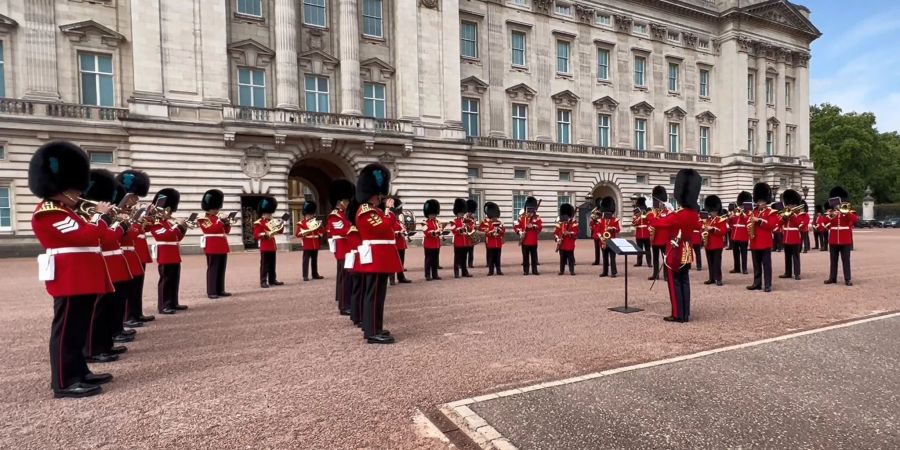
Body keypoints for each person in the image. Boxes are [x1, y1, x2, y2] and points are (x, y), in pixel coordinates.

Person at [29, 141, 114, 398]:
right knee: (66, 330)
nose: (79, 193)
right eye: (75, 188)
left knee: (77, 329)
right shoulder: (49, 212)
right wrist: (100, 216)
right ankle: (64, 381)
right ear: (62, 186)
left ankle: (79, 371)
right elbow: (86, 237)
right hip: (70, 278)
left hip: (81, 277)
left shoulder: (68, 211)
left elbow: (95, 238)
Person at [82, 170, 132, 364]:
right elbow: (106, 238)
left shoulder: (98, 214)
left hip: (111, 262)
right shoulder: (87, 214)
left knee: (110, 308)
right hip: (101, 262)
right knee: (99, 310)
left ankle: (105, 344)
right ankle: (94, 348)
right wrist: (118, 225)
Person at [354, 163, 402, 344]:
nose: (381, 198)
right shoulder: (366, 211)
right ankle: (373, 331)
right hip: (375, 258)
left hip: (380, 258)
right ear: (373, 195)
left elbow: (389, 227)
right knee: (373, 296)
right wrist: (389, 211)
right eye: (379, 195)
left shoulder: (374, 210)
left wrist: (388, 213)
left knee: (377, 296)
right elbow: (382, 227)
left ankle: (373, 326)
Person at [649, 169, 701, 323]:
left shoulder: (677, 215)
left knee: (674, 283)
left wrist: (649, 212)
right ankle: (686, 313)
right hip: (687, 251)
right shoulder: (693, 214)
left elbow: (657, 223)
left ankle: (678, 314)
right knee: (685, 281)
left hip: (674, 252)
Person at [116, 170, 155, 326]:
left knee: (136, 286)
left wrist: (147, 219)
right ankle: (128, 316)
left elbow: (143, 230)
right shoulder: (117, 211)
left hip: (134, 252)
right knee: (127, 287)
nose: (136, 200)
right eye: (134, 196)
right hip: (124, 253)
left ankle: (136, 312)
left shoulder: (131, 212)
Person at [149, 188, 188, 314]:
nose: (169, 213)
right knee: (165, 280)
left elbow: (177, 237)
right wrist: (178, 225)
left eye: (169, 210)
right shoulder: (156, 223)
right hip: (165, 254)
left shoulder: (168, 223)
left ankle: (173, 302)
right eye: (167, 210)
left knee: (174, 279)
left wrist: (183, 228)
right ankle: (164, 305)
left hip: (174, 253)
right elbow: (166, 236)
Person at [325, 179, 355, 315]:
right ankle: (344, 306)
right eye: (346, 200)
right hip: (343, 249)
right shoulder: (334, 216)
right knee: (345, 278)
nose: (348, 203)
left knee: (345, 277)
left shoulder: (344, 214)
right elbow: (342, 231)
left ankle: (344, 300)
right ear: (340, 201)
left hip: (348, 249)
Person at [198, 189, 232, 299]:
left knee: (221, 268)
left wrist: (227, 223)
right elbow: (212, 229)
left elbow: (226, 231)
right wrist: (220, 221)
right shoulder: (203, 218)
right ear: (210, 208)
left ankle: (220, 289)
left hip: (222, 245)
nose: (217, 210)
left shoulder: (218, 218)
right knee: (213, 268)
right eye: (215, 208)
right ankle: (211, 291)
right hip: (212, 246)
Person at [746, 183, 777, 293]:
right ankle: (757, 283)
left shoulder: (771, 212)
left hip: (765, 242)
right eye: (758, 201)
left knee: (766, 265)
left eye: (762, 201)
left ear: (766, 201)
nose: (760, 203)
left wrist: (758, 220)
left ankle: (768, 284)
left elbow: (771, 225)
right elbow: (749, 223)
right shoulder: (754, 212)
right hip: (754, 241)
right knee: (756, 265)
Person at [824, 186, 858, 286]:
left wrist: (845, 212)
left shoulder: (848, 211)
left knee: (846, 260)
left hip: (845, 240)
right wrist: (831, 215)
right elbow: (825, 223)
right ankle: (832, 278)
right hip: (833, 239)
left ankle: (847, 279)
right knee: (833, 260)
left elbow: (855, 220)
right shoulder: (831, 212)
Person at [252, 197, 285, 288]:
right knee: (264, 265)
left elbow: (280, 231)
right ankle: (263, 281)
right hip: (265, 246)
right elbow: (256, 235)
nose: (270, 215)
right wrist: (265, 234)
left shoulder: (273, 221)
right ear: (264, 213)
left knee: (272, 264)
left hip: (272, 245)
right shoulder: (259, 223)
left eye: (270, 213)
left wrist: (281, 225)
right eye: (268, 213)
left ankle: (272, 279)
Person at [779, 189, 804, 281]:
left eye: (791, 204)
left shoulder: (799, 214)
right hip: (786, 237)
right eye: (788, 204)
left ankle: (797, 273)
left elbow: (798, 224)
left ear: (795, 205)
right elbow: (779, 223)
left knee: (796, 256)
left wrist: (792, 215)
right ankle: (788, 272)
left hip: (794, 237)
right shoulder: (786, 213)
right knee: (787, 256)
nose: (790, 206)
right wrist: (784, 217)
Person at [701, 196, 727, 286]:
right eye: (711, 211)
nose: (713, 213)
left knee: (717, 262)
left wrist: (712, 229)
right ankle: (711, 278)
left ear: (717, 211)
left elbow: (723, 231)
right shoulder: (706, 220)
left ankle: (718, 278)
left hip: (717, 245)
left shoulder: (721, 220)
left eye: (714, 211)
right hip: (708, 244)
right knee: (710, 262)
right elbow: (701, 229)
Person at [296, 201, 324, 282]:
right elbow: (298, 234)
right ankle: (305, 275)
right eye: (309, 214)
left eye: (311, 214)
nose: (310, 216)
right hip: (307, 243)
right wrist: (306, 232)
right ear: (305, 214)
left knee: (314, 260)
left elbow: (322, 232)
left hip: (315, 243)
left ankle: (315, 274)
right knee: (306, 261)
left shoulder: (316, 222)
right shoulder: (301, 223)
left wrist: (320, 229)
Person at [514, 196, 542, 276]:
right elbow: (516, 226)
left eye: (531, 211)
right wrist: (520, 232)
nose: (529, 212)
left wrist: (533, 226)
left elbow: (540, 227)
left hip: (533, 240)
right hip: (525, 240)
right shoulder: (522, 218)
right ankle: (526, 271)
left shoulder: (537, 218)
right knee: (525, 257)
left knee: (534, 257)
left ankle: (534, 270)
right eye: (528, 211)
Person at [647, 186, 670, 281]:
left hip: (664, 239)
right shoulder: (651, 213)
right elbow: (650, 223)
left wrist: (655, 219)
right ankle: (655, 274)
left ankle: (666, 275)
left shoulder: (667, 212)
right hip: (655, 239)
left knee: (665, 258)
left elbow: (665, 224)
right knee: (655, 259)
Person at [389, 196, 412, 285]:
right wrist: (399, 232)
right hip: (394, 245)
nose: (399, 214)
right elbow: (389, 232)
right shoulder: (390, 220)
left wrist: (405, 231)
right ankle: (391, 278)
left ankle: (401, 277)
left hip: (401, 244)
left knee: (401, 262)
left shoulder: (399, 221)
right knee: (392, 262)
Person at [596, 197, 620, 278]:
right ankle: (605, 272)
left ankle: (613, 272)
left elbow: (618, 229)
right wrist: (601, 238)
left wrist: (612, 228)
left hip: (612, 241)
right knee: (605, 257)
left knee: (612, 258)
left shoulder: (615, 220)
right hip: (603, 241)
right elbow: (597, 231)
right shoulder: (601, 221)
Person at [449, 198, 473, 279]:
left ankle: (464, 272)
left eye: (462, 213)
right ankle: (456, 273)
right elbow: (454, 230)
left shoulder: (466, 220)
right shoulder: (453, 221)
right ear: (457, 213)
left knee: (464, 258)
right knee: (457, 259)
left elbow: (470, 229)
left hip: (465, 242)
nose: (461, 214)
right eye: (460, 213)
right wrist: (461, 229)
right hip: (458, 242)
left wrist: (468, 226)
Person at [480, 202, 505, 276]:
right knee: (491, 258)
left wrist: (499, 230)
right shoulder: (487, 223)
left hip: (498, 243)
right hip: (490, 243)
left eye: (496, 216)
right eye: (494, 217)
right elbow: (481, 229)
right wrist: (489, 232)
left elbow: (503, 230)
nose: (495, 218)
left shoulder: (499, 223)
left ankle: (498, 270)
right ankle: (490, 271)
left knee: (498, 258)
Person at [729, 191, 751, 274]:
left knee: (744, 253)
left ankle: (744, 268)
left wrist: (742, 215)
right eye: (740, 205)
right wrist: (730, 218)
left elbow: (748, 222)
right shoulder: (735, 212)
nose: (741, 207)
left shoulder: (748, 213)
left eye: (742, 205)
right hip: (734, 235)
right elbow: (731, 224)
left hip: (743, 236)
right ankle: (736, 267)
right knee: (735, 253)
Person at [554, 203, 578, 276]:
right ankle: (561, 271)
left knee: (570, 259)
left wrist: (568, 233)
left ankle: (572, 270)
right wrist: (557, 238)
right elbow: (556, 232)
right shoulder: (560, 222)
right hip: (561, 244)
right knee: (562, 259)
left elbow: (576, 232)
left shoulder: (573, 223)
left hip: (569, 243)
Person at [422, 199, 443, 281]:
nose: (433, 215)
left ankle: (435, 274)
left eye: (434, 214)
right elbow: (426, 232)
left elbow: (440, 230)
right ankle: (427, 275)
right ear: (428, 214)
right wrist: (434, 232)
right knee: (428, 261)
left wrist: (440, 231)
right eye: (431, 214)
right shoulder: (424, 222)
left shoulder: (438, 222)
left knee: (435, 260)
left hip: (436, 244)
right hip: (429, 244)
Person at [631, 197, 652, 268]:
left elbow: (650, 222)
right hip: (639, 233)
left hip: (646, 233)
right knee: (639, 249)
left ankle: (649, 262)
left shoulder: (647, 213)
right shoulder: (636, 214)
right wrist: (636, 218)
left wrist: (643, 216)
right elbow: (633, 224)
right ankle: (639, 262)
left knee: (647, 249)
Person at [590, 199, 603, 266]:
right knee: (597, 249)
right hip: (596, 234)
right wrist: (594, 221)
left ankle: (605, 260)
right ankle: (597, 260)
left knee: (604, 248)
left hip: (602, 234)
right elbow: (591, 224)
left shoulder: (603, 213)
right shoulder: (595, 211)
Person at [466, 199, 478, 269]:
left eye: (470, 212)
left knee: (471, 251)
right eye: (468, 212)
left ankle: (470, 263)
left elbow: (474, 226)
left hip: (471, 236)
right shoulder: (464, 219)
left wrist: (475, 228)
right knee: (464, 252)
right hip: (465, 236)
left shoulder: (473, 219)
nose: (470, 213)